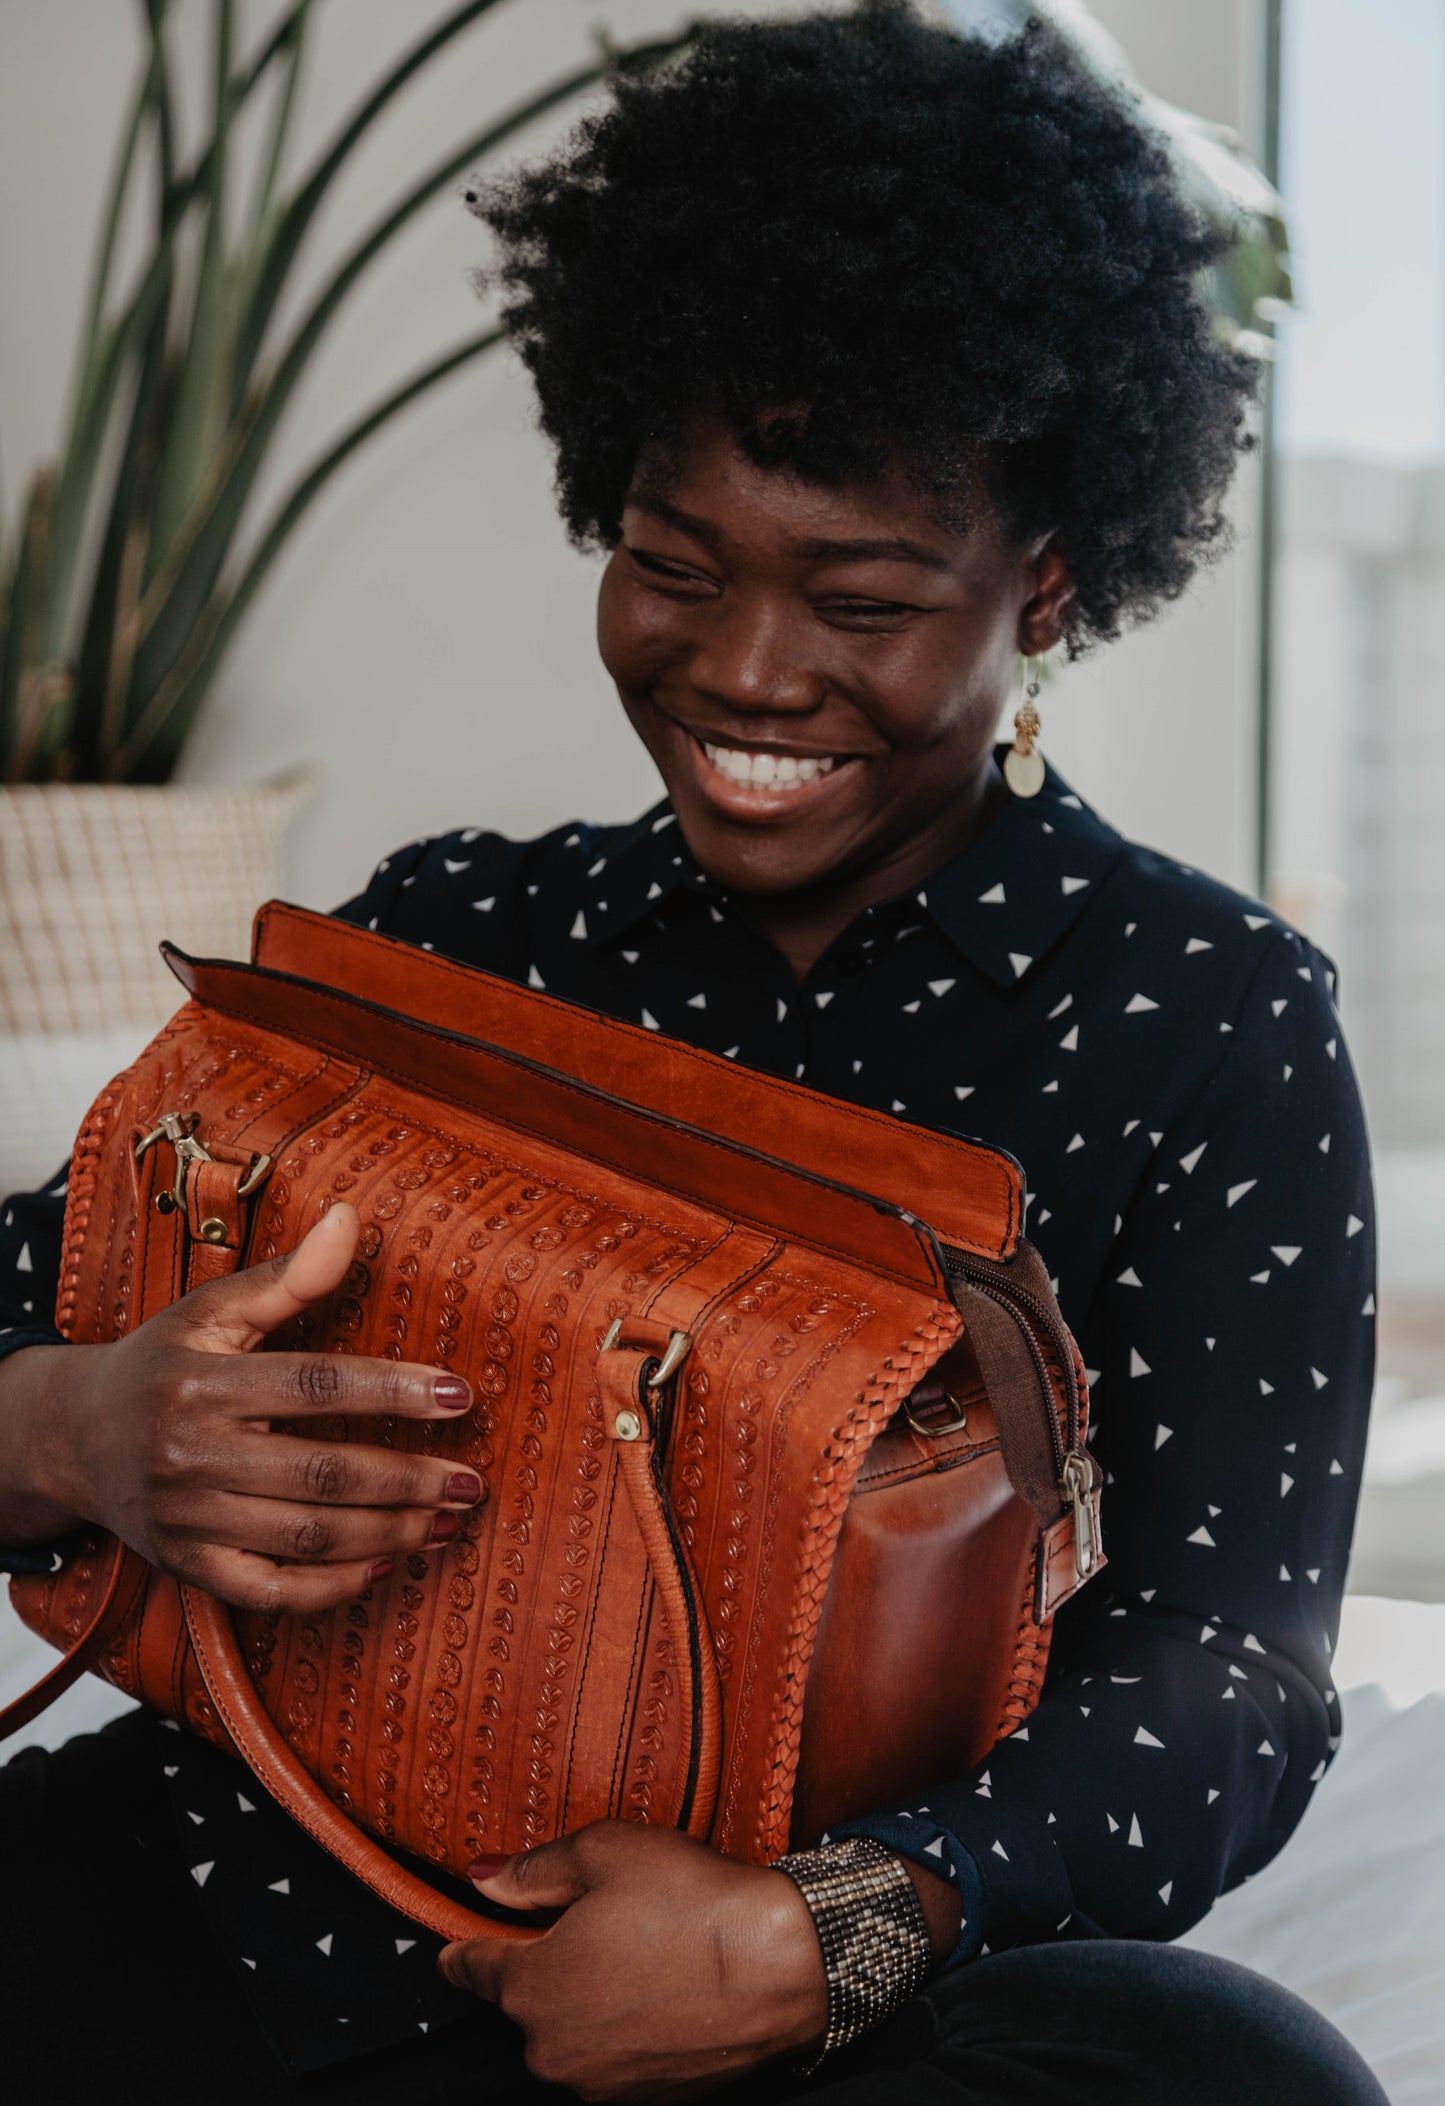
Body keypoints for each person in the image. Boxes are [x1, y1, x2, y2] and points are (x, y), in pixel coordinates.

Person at [0, 7, 1389, 2101]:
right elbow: (36, 1291)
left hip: (829, 1990)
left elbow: (1228, 1674)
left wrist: (812, 1936)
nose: (746, 670)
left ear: (1054, 581)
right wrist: (85, 1431)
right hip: (267, 1889)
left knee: (1229, 2078)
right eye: (672, 562)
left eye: (866, 597)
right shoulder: (464, 933)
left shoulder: (1203, 1021)